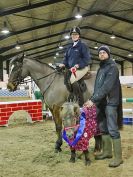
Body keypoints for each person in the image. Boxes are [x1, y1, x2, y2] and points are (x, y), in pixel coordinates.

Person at [84, 45, 123, 167]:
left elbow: (107, 86)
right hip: (101, 102)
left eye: (104, 53)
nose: (101, 54)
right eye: (100, 53)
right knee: (103, 128)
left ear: (108, 54)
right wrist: (91, 99)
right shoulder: (101, 69)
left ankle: (118, 157)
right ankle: (107, 152)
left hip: (111, 102)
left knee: (112, 129)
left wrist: (94, 99)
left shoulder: (112, 68)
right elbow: (97, 88)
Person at [59, 26, 91, 106]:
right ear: (71, 36)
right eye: (73, 34)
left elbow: (87, 59)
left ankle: (79, 100)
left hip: (83, 67)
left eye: (76, 34)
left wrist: (78, 65)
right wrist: (63, 63)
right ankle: (71, 94)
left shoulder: (83, 46)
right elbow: (66, 59)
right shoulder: (69, 47)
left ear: (79, 35)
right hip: (72, 69)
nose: (74, 36)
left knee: (72, 79)